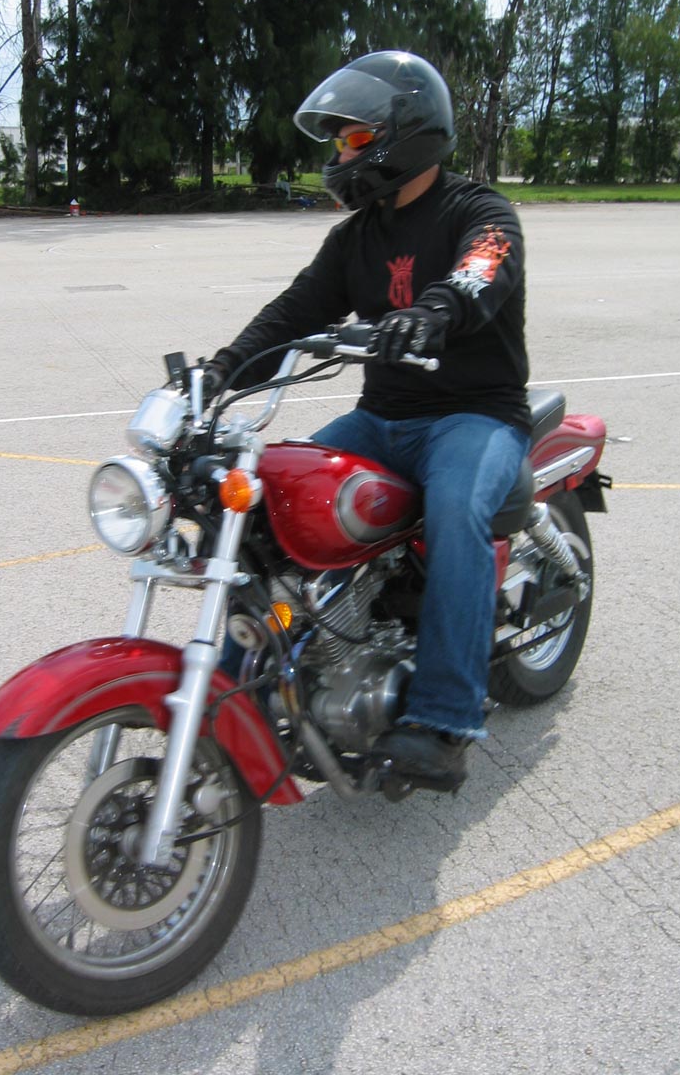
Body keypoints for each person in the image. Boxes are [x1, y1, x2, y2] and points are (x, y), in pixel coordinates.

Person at [203, 51, 531, 792]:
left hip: (474, 416)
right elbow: (296, 310)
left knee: (455, 512)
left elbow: (480, 270)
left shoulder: (479, 212)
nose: (342, 155)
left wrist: (434, 312)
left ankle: (445, 719)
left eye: (353, 138)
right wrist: (222, 370)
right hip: (382, 418)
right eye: (340, 142)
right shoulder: (356, 237)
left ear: (404, 133)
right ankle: (237, 685)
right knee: (268, 502)